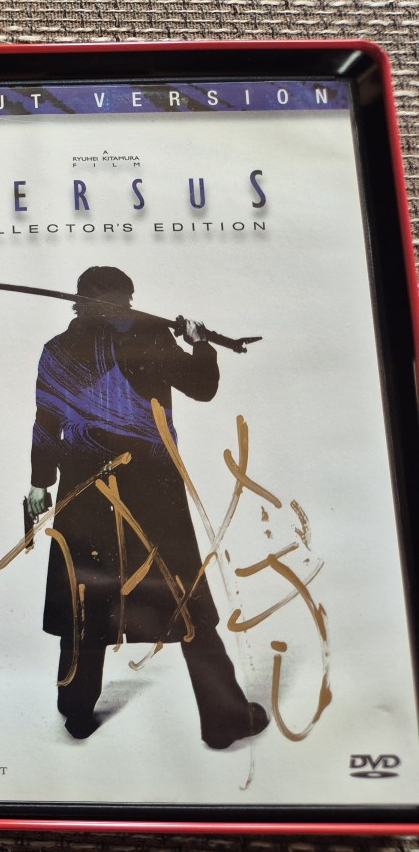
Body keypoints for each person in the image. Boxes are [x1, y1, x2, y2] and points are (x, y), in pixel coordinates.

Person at [27, 265, 269, 748]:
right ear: (123, 300)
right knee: (183, 594)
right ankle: (223, 718)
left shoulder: (57, 350)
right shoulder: (148, 337)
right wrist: (199, 344)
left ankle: (76, 710)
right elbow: (202, 387)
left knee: (84, 590)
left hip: (84, 488)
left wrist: (39, 484)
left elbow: (45, 422)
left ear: (80, 301)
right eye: (125, 301)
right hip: (151, 487)